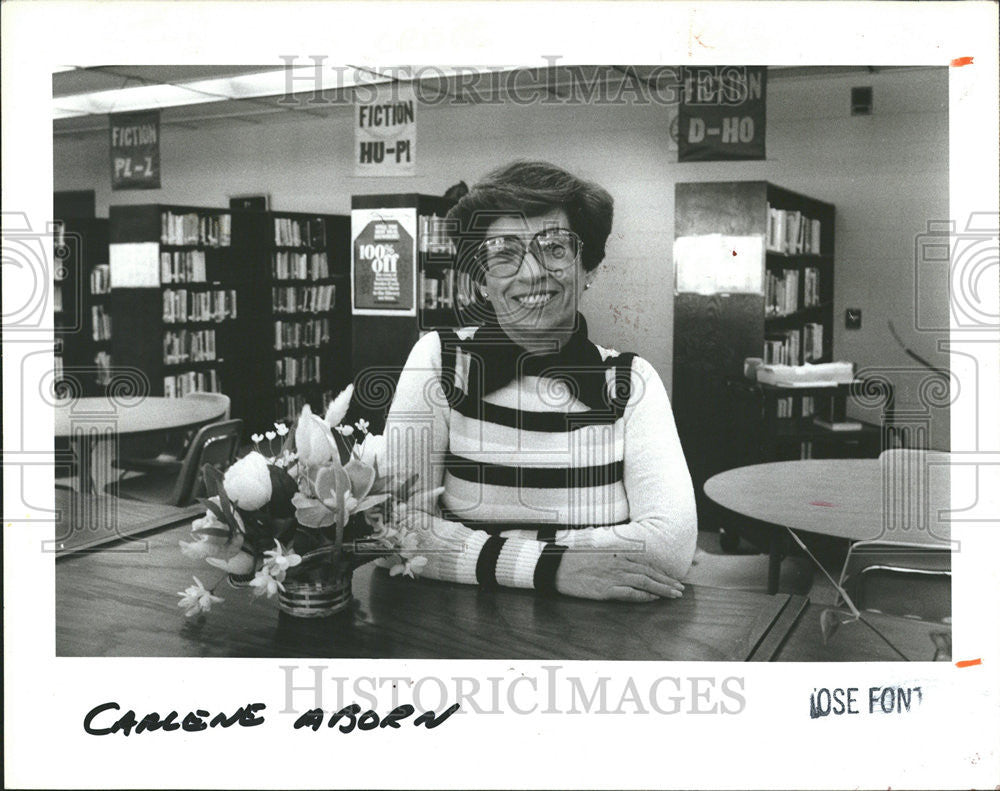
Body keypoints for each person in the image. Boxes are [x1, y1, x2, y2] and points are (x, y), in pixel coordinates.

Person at [384, 161, 696, 601]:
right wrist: (554, 567)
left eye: (554, 248)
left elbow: (670, 546)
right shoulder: (439, 362)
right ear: (482, 279)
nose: (532, 272)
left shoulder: (631, 381)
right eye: (504, 252)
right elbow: (396, 526)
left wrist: (468, 547)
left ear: (587, 268)